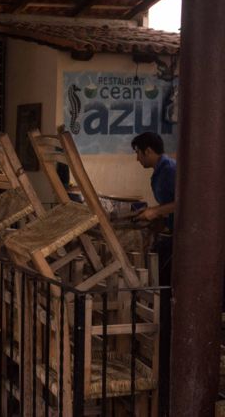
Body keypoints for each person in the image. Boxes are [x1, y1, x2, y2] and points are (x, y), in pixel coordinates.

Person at [131, 131, 175, 414]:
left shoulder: (169, 169)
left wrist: (156, 212)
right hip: (169, 232)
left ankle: (166, 337)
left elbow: (187, 202)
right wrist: (153, 221)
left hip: (182, 235)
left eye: (137, 153)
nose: (136, 158)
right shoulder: (157, 173)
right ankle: (157, 333)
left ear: (148, 151)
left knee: (166, 281)